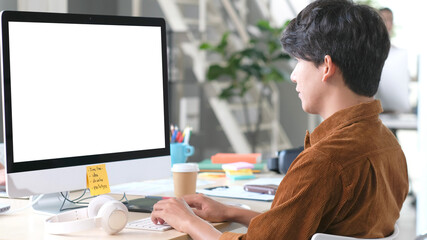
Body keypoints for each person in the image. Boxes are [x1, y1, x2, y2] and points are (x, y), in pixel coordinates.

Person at [150, 0, 409, 239]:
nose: (294, 76)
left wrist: (188, 222)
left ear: (327, 67)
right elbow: (305, 230)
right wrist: (232, 212)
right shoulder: (390, 146)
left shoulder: (324, 162)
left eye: (299, 61)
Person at [376, 7, 411, 114]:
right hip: (374, 110)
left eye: (390, 20)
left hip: (394, 111)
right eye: (384, 20)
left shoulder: (399, 55)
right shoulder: (368, 51)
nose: (388, 24)